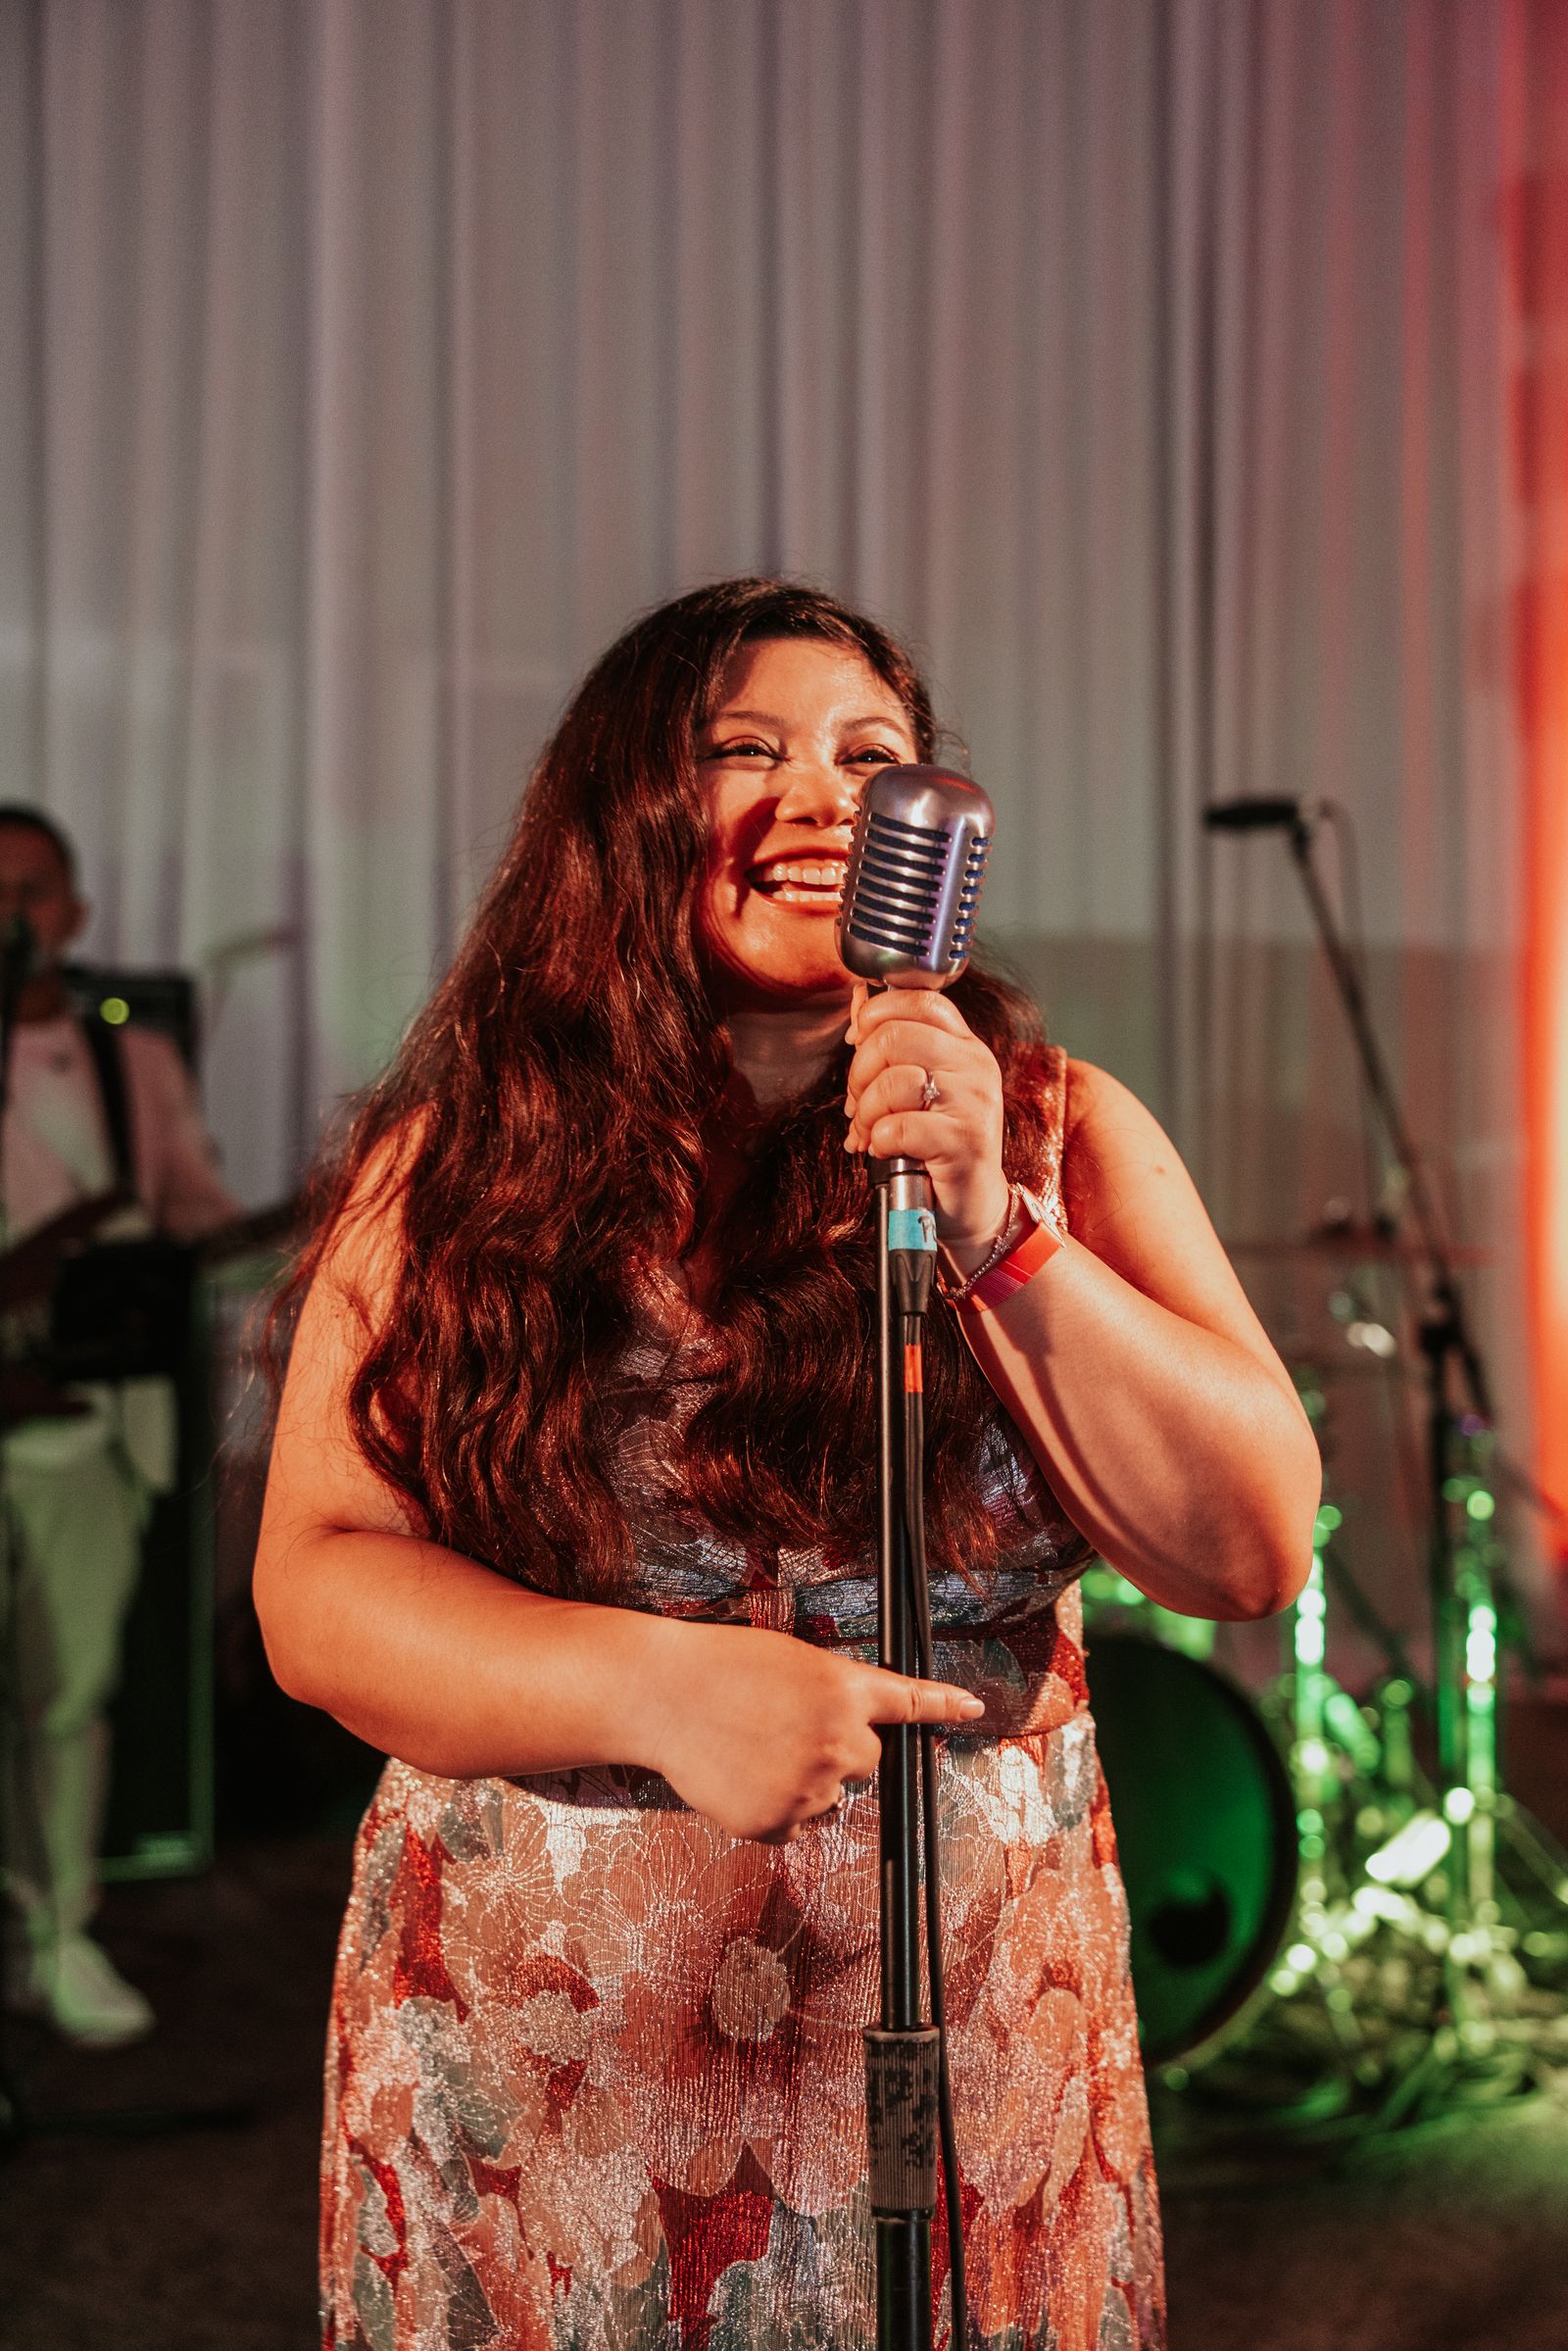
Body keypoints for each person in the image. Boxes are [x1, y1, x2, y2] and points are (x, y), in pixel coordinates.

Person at [256, 579, 1319, 2351]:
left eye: (872, 755)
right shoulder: (464, 1158)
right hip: (555, 2070)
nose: (824, 797)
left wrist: (996, 1221)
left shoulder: (1059, 1124)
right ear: (622, 810)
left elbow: (1251, 1543)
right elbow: (320, 1576)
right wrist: (652, 1679)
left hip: (969, 2033)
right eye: (743, 747)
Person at [0, 805, 240, 2046]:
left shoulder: (126, 1060)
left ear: (74, 913)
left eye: (31, 891)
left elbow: (193, 1207)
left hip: (78, 1423)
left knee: (66, 1689)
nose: (11, 916)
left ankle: (60, 1928)